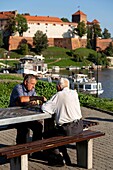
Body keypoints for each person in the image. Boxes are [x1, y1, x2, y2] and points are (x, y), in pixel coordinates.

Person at [42, 77, 83, 166]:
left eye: (57, 86)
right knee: (57, 134)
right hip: (79, 126)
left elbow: (45, 108)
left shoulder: (59, 95)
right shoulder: (74, 93)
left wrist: (45, 102)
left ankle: (57, 158)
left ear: (59, 86)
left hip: (68, 129)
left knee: (47, 135)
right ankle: (65, 155)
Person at [9, 74, 47, 144]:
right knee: (23, 129)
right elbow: (22, 99)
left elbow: (34, 101)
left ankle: (35, 150)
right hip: (14, 116)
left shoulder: (32, 90)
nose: (34, 86)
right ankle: (21, 151)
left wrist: (34, 100)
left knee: (38, 127)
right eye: (32, 84)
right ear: (26, 82)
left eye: (34, 84)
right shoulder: (18, 88)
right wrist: (39, 98)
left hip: (25, 115)